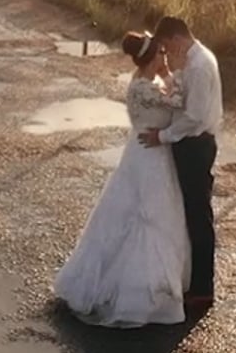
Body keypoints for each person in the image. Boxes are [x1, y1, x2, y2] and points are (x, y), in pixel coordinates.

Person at [53, 31, 191, 327]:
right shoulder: (144, 88)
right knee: (147, 216)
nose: (164, 59)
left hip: (146, 152)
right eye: (161, 55)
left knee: (145, 214)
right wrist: (173, 75)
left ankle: (155, 284)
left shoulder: (143, 83)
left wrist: (164, 75)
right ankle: (138, 291)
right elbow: (179, 102)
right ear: (151, 58)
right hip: (148, 156)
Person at [138, 15, 222, 316]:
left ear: (175, 39)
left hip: (195, 145)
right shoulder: (195, 60)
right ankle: (195, 282)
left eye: (166, 46)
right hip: (195, 143)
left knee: (198, 215)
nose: (167, 52)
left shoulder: (199, 66)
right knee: (192, 212)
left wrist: (164, 136)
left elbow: (194, 117)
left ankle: (202, 289)